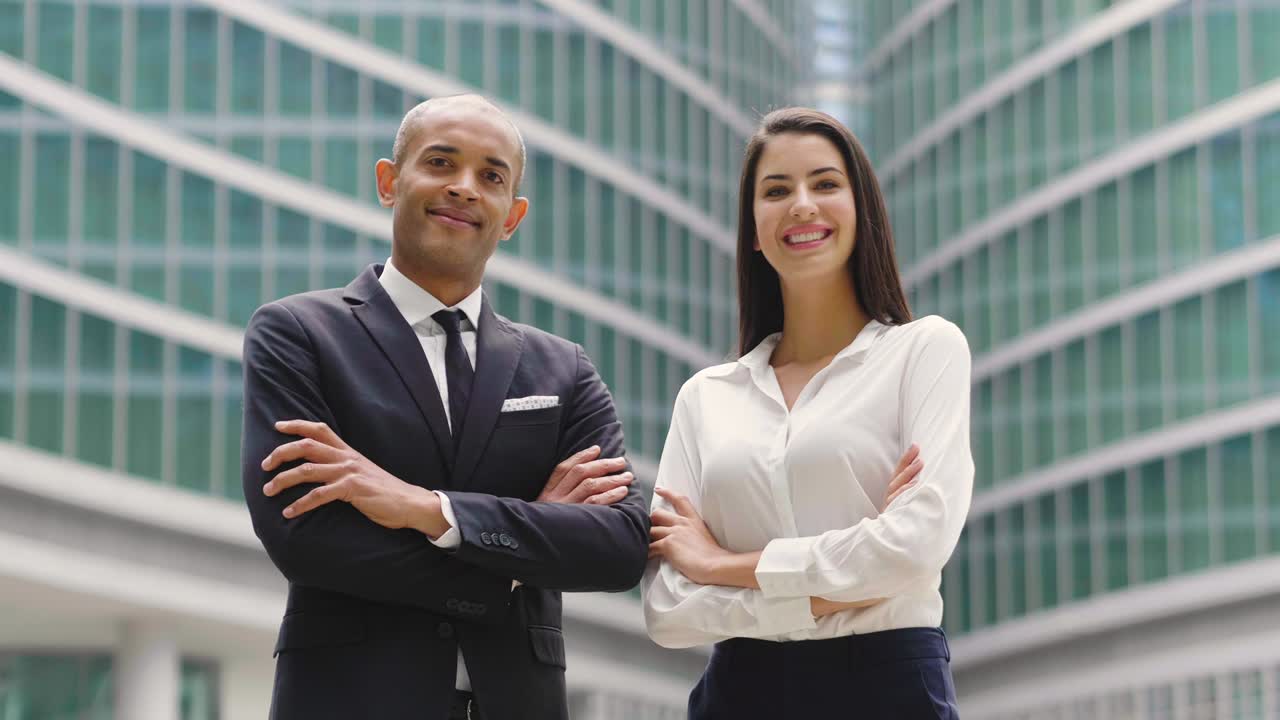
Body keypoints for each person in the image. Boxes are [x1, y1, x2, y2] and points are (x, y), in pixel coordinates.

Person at [241, 94, 649, 720]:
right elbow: (307, 536)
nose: (463, 188)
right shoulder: (298, 333)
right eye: (440, 163)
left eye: (490, 176)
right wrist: (513, 564)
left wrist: (427, 510)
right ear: (389, 181)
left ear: (511, 216)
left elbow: (619, 544)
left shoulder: (563, 368)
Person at [641, 107, 972, 719]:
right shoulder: (706, 397)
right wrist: (828, 591)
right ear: (754, 230)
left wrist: (721, 565)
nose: (800, 204)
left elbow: (917, 545)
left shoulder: (925, 350)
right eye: (776, 191)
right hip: (740, 692)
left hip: (888, 684)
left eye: (824, 184)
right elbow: (668, 608)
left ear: (860, 210)